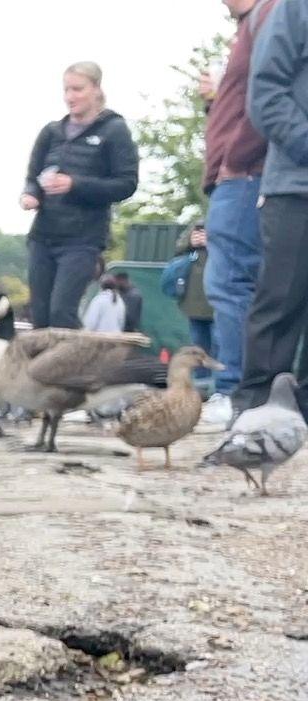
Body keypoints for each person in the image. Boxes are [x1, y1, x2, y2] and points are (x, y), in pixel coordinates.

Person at [202, 0, 282, 422]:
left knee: (232, 282)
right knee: (244, 283)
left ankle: (233, 390)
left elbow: (267, 92)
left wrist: (236, 156)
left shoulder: (266, 17)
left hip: (243, 175)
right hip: (239, 174)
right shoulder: (252, 24)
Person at [21, 62, 141, 329]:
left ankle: (73, 368)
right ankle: (43, 370)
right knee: (40, 316)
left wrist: (75, 184)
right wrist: (30, 195)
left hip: (82, 240)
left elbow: (127, 184)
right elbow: (33, 178)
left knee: (61, 312)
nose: (70, 97)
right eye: (66, 90)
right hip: (43, 235)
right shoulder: (51, 132)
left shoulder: (114, 130)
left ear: (96, 89)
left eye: (77, 89)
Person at [237, 0, 308, 415]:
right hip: (297, 189)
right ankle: (255, 414)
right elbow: (264, 93)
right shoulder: (295, 8)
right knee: (279, 305)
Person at [175, 222, 216, 356]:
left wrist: (211, 242)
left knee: (219, 346)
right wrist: (191, 242)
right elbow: (178, 250)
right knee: (198, 347)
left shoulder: (222, 225)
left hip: (217, 303)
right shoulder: (194, 226)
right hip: (194, 302)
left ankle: (220, 376)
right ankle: (199, 376)